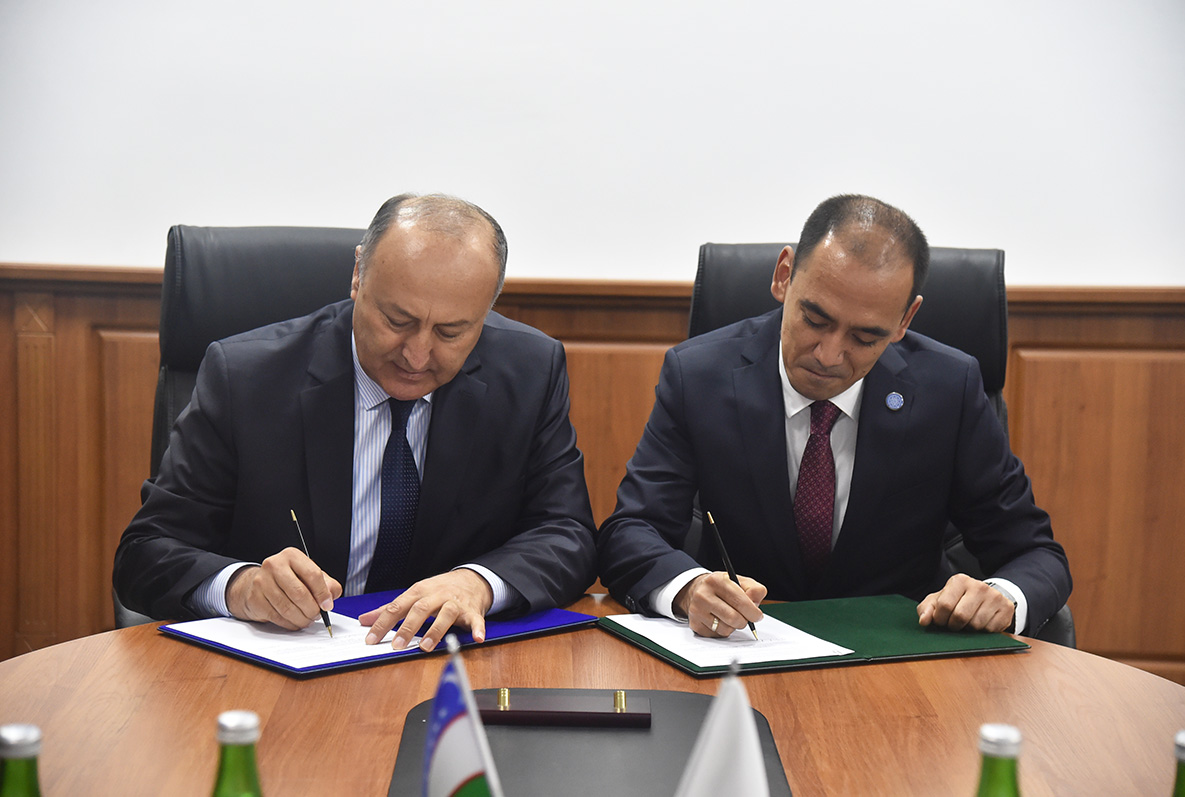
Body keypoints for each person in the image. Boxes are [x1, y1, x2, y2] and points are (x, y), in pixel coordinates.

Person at [114, 193, 597, 651]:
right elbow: (146, 553)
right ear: (357, 279)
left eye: (451, 332)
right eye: (397, 320)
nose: (417, 355)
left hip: (445, 663)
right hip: (288, 668)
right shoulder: (245, 378)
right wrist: (241, 587)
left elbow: (567, 534)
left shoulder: (530, 372)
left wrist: (479, 584)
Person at [597, 194, 1070, 640]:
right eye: (815, 319)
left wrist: (1003, 597)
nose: (828, 355)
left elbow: (1034, 552)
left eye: (864, 338)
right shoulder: (699, 376)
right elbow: (630, 531)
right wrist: (688, 588)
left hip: (899, 660)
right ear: (784, 276)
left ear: (905, 320)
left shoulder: (950, 390)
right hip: (743, 650)